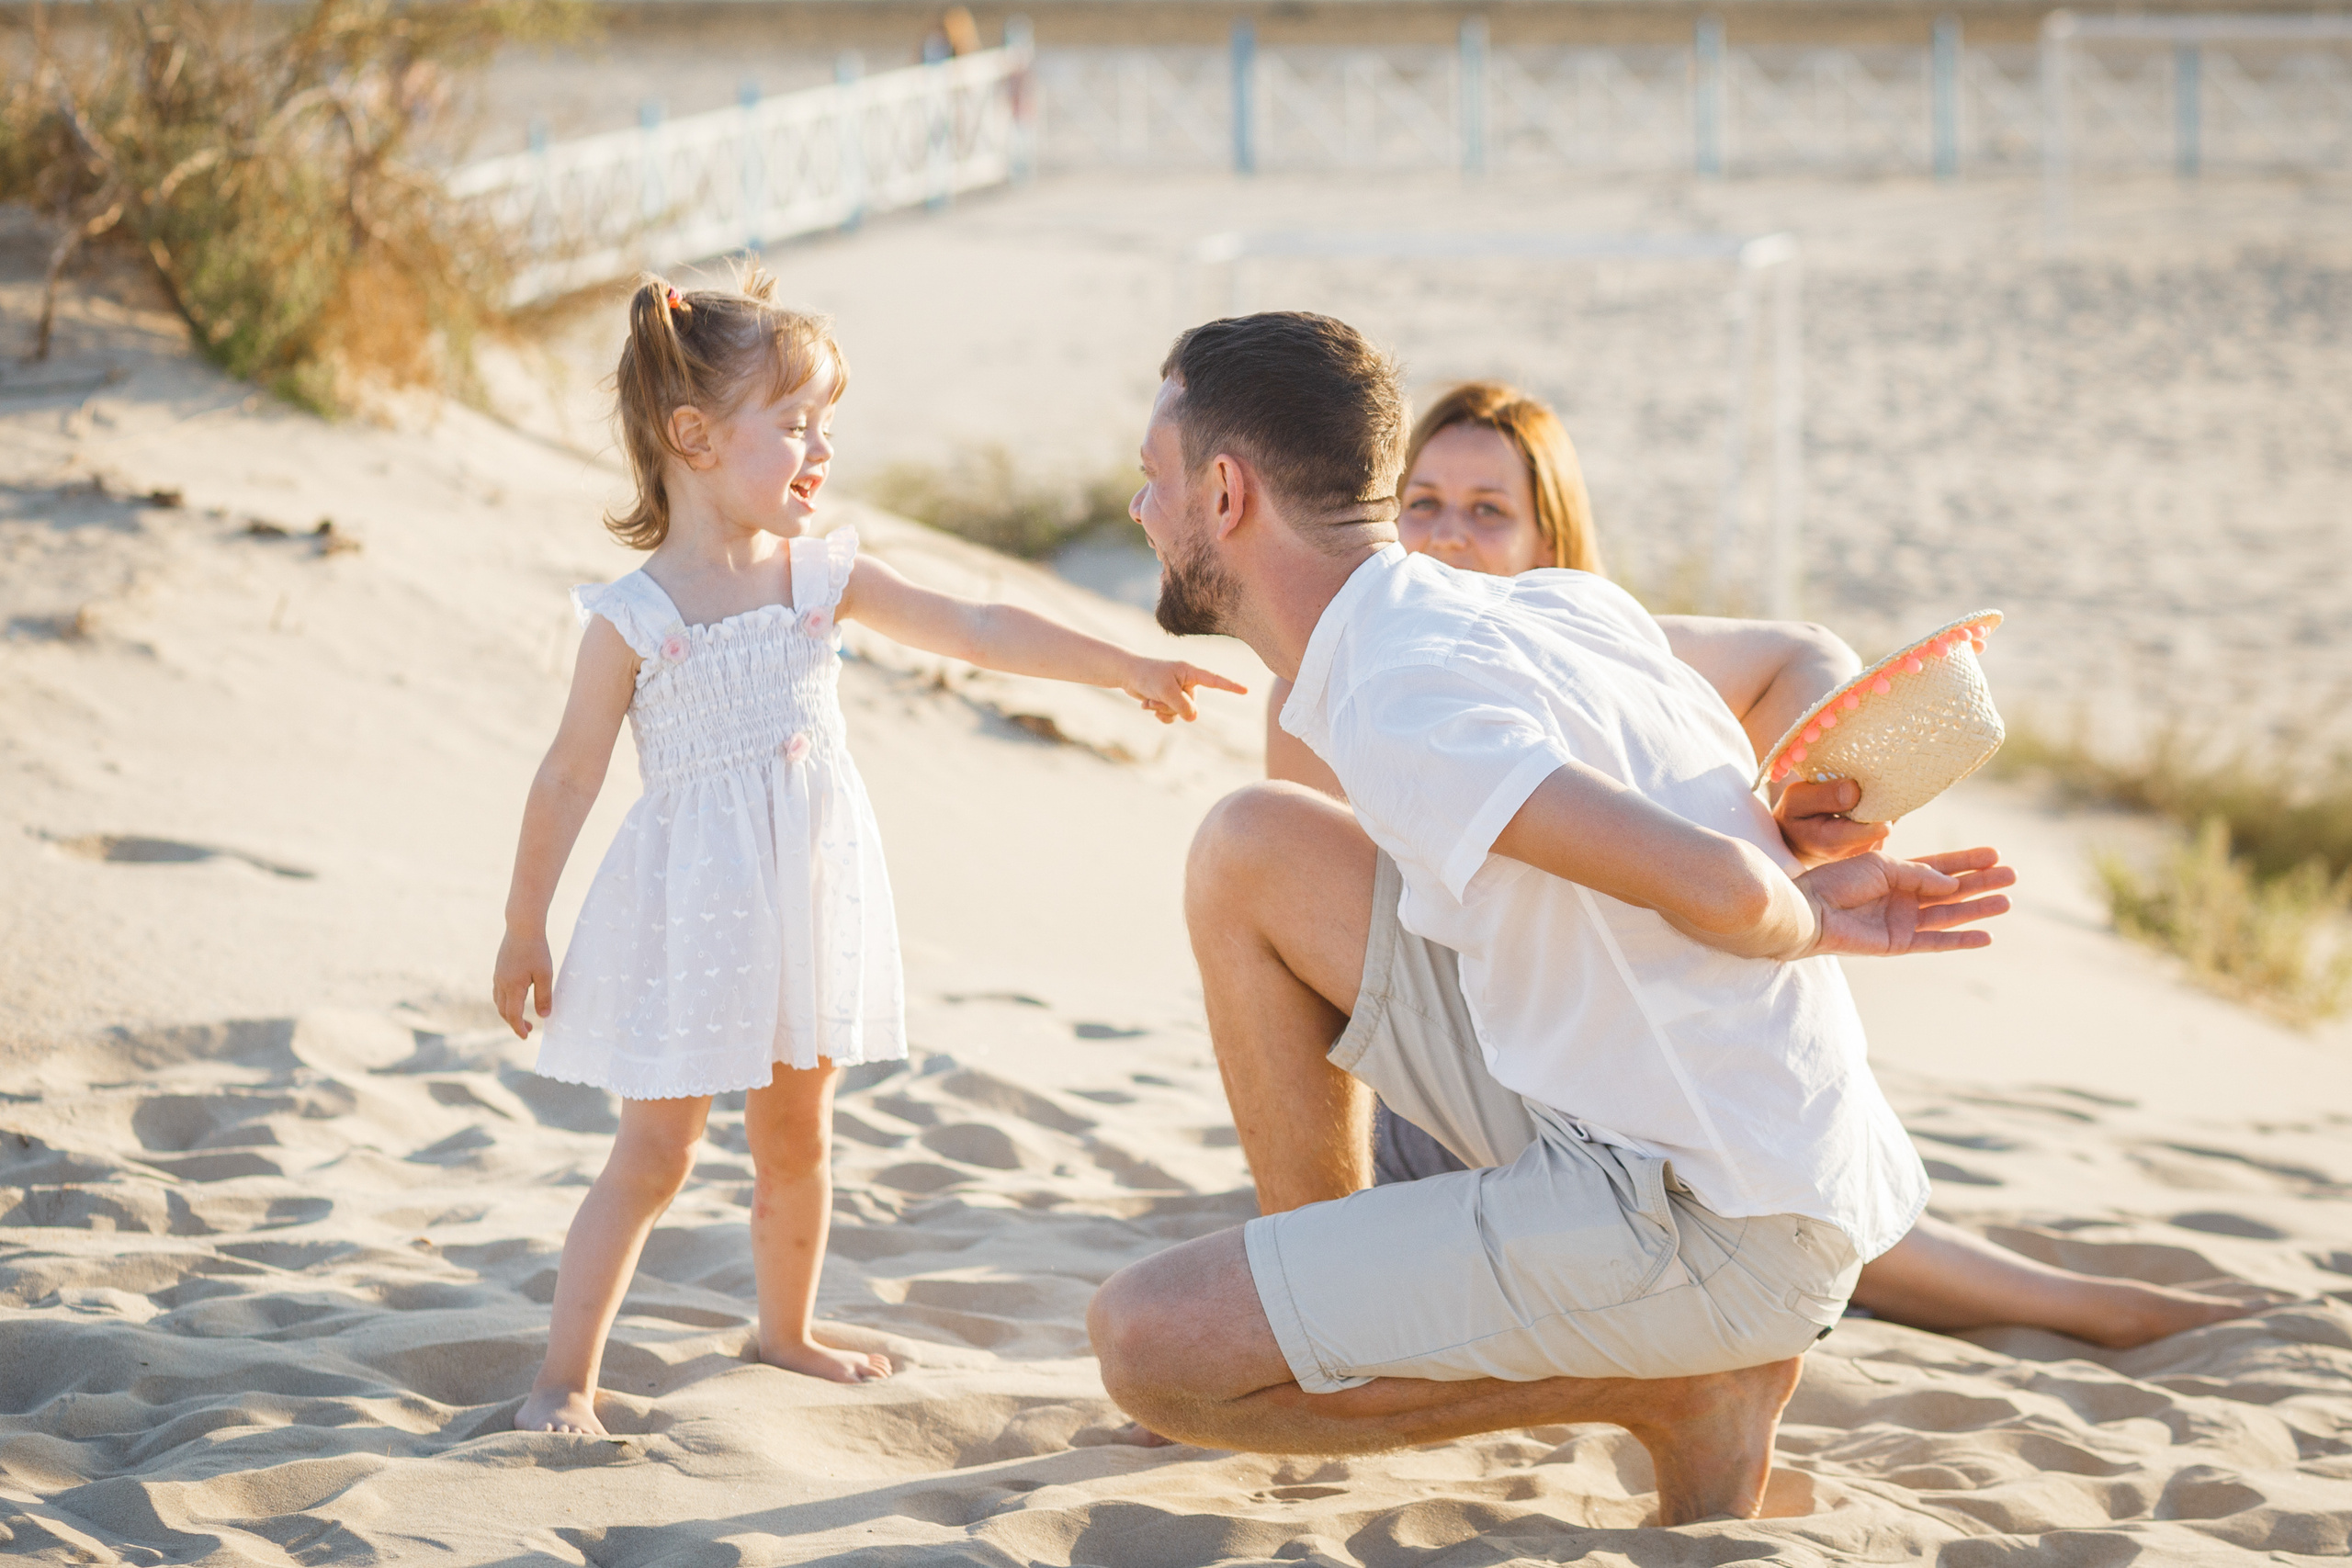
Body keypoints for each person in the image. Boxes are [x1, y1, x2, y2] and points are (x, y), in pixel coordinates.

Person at [1087, 311, 2018, 1523]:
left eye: (1151, 480)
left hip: (1714, 1218)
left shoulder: (1404, 693)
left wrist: (1803, 913)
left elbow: (1730, 890)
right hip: (1685, 1140)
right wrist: (1787, 835)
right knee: (1251, 843)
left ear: (1225, 492)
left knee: (1149, 1346)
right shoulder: (1534, 607)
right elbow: (1762, 731)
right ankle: (1334, 1285)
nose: (1139, 512)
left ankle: (1689, 1396)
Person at [1266, 379, 2266, 1350]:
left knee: (1756, 1163)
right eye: (1425, 504)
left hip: (1619, 1072)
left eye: (1488, 511)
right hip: (1457, 1088)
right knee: (1734, 1170)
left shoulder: (1588, 647)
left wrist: (1804, 805)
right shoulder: (1339, 688)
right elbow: (1332, 960)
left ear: (1549, 545)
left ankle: (2081, 1304)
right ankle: (2082, 1306)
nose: (1447, 534)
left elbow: (1806, 654)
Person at [492, 271, 1243, 1437]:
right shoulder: (634, 616)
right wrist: (522, 923)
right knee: (655, 1153)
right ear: (692, 437)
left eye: (827, 425)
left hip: (804, 893)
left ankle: (783, 1329)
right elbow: (568, 775)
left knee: (798, 1135)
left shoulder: (819, 578)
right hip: (691, 905)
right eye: (794, 425)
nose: (820, 449)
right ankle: (563, 1381)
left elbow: (981, 624)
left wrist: (1128, 666)